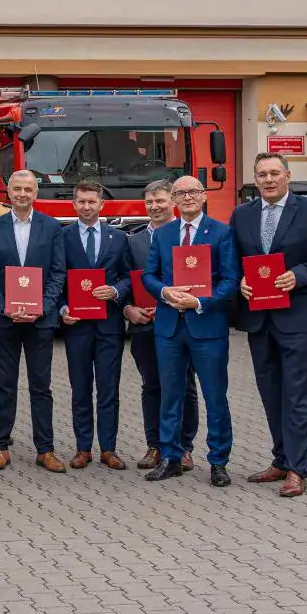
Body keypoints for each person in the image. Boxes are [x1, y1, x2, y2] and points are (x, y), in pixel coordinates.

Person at [232, 154, 307, 497]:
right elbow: (234, 259)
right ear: (255, 179)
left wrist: (298, 275)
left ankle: (298, 469)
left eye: (274, 173)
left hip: (299, 316)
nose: (268, 179)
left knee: (297, 395)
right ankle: (281, 459)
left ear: (287, 176)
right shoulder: (242, 215)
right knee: (271, 394)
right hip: (259, 317)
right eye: (262, 174)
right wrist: (240, 280)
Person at [142, 175, 241, 487]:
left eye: (192, 192)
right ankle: (171, 457)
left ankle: (218, 462)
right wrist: (165, 292)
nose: (186, 198)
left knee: (215, 396)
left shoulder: (222, 233)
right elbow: (149, 275)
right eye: (180, 193)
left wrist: (200, 300)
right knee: (170, 396)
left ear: (203, 196)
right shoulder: (163, 233)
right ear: (173, 199)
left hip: (206, 325)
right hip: (170, 327)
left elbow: (230, 280)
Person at [0, 169, 68, 472]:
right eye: (17, 189)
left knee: (41, 386)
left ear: (36, 193)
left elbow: (58, 274)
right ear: (8, 191)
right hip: (4, 320)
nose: (22, 194)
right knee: (4, 385)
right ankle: (0, 446)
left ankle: (45, 449)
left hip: (39, 321)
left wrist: (43, 307)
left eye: (28, 189)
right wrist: (4, 306)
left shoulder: (52, 227)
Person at [58, 179, 133, 470]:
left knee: (108, 388)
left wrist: (115, 291)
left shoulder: (119, 238)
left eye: (92, 202)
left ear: (102, 205)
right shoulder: (63, 238)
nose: (87, 206)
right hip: (77, 326)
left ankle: (109, 448)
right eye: (81, 201)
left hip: (109, 325)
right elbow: (57, 278)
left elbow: (128, 277)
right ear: (74, 204)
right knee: (80, 388)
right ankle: (82, 448)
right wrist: (62, 308)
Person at [124, 181, 199, 470]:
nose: (155, 207)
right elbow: (124, 279)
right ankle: (155, 445)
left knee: (185, 385)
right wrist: (127, 308)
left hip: (183, 323)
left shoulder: (188, 237)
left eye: (161, 201)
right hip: (145, 325)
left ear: (174, 202)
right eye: (150, 202)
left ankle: (184, 447)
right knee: (152, 385)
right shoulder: (133, 241)